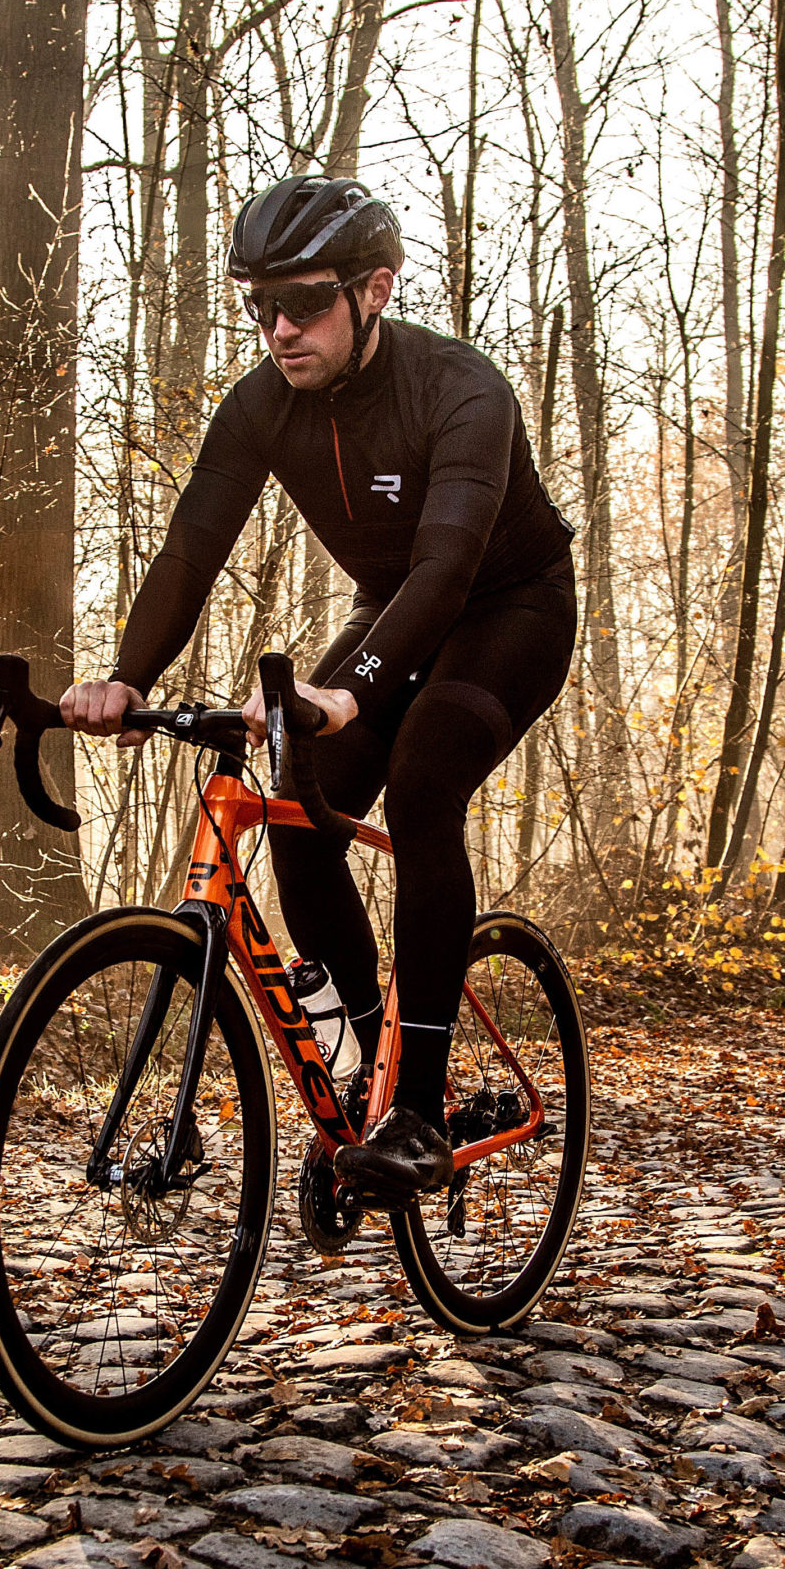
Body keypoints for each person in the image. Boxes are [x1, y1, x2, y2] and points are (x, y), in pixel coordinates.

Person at [60, 176, 579, 1204]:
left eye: (300, 302)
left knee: (425, 778)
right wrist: (124, 677)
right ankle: (360, 1067)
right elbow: (191, 546)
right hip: (390, 609)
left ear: (374, 289)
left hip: (506, 608)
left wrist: (351, 694)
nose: (278, 328)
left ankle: (418, 1110)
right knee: (298, 815)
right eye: (256, 305)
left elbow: (445, 568)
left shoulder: (461, 390)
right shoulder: (261, 404)